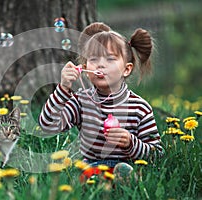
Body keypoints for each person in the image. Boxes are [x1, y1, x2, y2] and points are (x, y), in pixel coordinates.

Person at [39, 22, 163, 171]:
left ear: (126, 69)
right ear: (85, 68)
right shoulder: (81, 102)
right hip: (90, 168)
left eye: (110, 59)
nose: (100, 65)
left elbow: (157, 155)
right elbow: (48, 125)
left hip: (128, 166)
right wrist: (63, 88)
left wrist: (131, 143)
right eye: (93, 59)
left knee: (124, 172)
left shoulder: (139, 108)